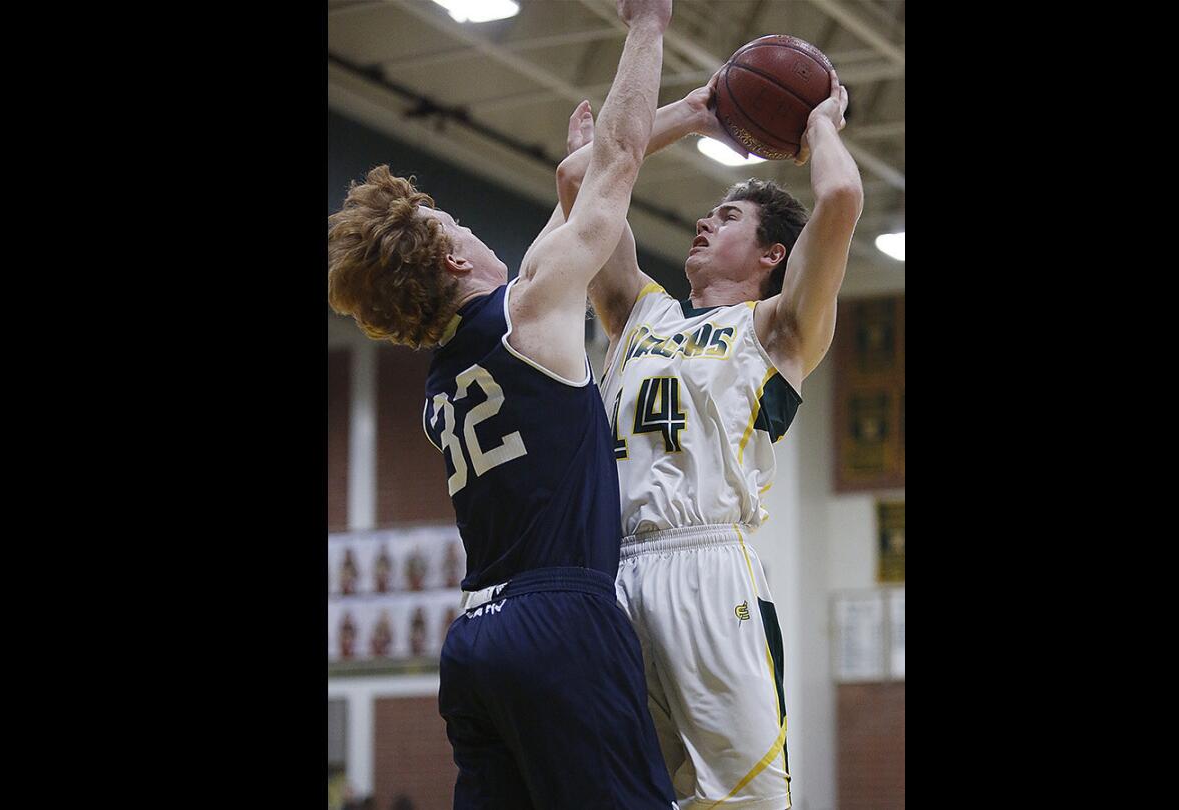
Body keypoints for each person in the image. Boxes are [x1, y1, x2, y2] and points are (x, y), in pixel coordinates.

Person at [326, 1, 678, 807]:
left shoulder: (441, 386)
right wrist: (646, 28)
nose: (477, 230)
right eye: (460, 220)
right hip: (560, 619)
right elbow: (612, 165)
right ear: (453, 254)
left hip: (476, 638)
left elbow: (577, 182)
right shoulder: (530, 313)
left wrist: (692, 110)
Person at [555, 67, 862, 810]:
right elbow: (576, 179)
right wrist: (695, 111)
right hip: (613, 574)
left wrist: (819, 123)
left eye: (726, 217)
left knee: (745, 802)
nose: (703, 222)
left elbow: (843, 197)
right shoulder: (639, 315)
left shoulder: (779, 329)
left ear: (771, 258)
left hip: (710, 573)